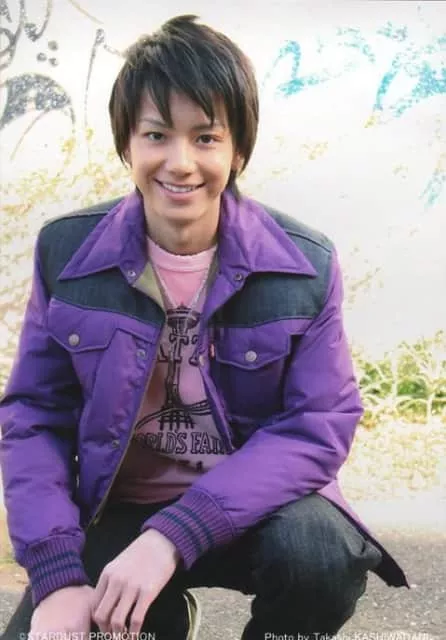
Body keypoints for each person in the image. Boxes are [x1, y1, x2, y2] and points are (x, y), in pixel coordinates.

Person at [0, 14, 407, 640]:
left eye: (206, 137)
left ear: (238, 150)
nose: (181, 162)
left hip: (256, 508)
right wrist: (57, 574)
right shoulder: (68, 253)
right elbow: (34, 416)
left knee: (319, 557)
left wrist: (174, 535)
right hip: (120, 509)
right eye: (157, 134)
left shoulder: (303, 264)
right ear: (127, 145)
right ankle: (159, 615)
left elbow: (317, 424)